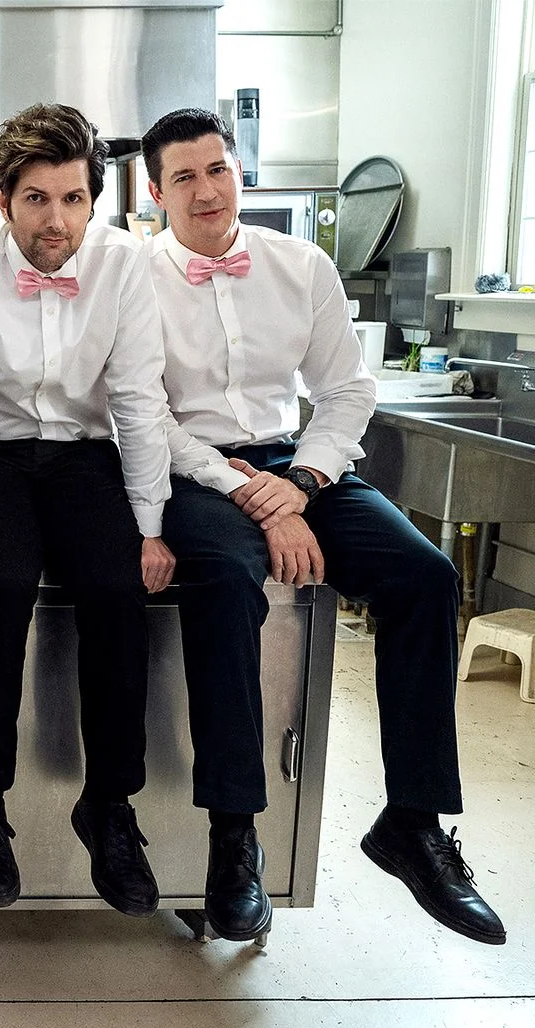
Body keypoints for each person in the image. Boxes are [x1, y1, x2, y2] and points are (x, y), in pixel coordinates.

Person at [140, 107, 505, 945]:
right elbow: (140, 414)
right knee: (229, 581)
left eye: (219, 169)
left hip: (295, 462)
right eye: (185, 177)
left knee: (425, 576)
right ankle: (234, 839)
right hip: (197, 468)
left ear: (241, 174)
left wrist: (299, 482)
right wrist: (245, 488)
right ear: (157, 191)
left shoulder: (299, 265)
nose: (207, 190)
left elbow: (346, 391)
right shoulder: (132, 276)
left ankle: (412, 823)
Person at [0, 103, 174, 918]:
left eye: (71, 199)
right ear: (1, 198)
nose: (55, 220)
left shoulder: (126, 266)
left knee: (115, 590)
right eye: (35, 199)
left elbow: (137, 396)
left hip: (86, 457)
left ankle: (111, 803)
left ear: (93, 198)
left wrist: (152, 525)